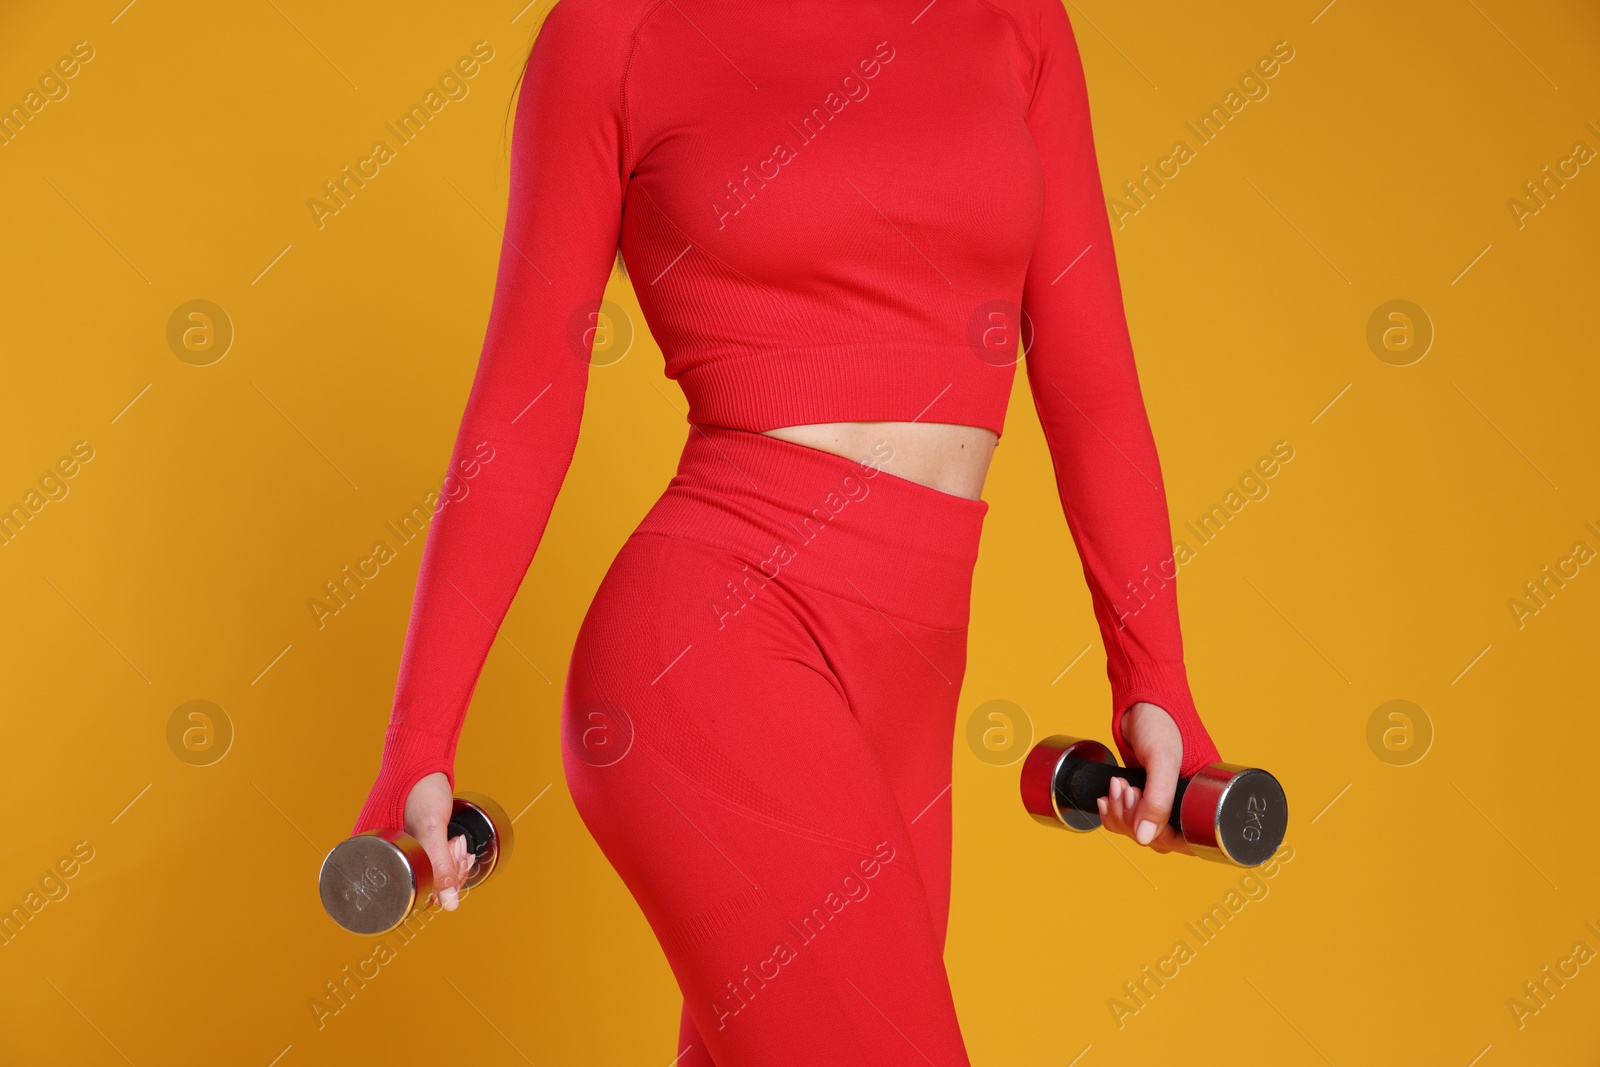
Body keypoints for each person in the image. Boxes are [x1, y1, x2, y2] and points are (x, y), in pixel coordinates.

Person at [352, 0, 1223, 1062]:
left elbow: (1093, 376)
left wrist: (1154, 678)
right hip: (710, 645)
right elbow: (523, 404)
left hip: (911, 667)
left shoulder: (1014, 23)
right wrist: (416, 743)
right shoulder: (613, 33)